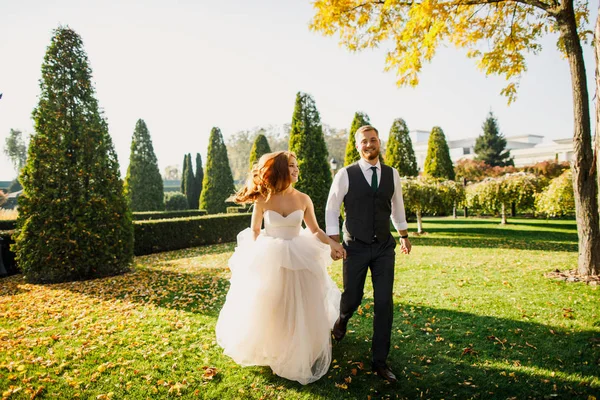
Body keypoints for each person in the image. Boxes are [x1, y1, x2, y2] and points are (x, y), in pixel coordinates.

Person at [216, 150, 345, 385]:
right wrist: (253, 254)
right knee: (273, 303)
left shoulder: (303, 199)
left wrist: (333, 243)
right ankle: (277, 346)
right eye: (292, 166)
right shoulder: (263, 199)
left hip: (300, 253)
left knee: (303, 302)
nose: (296, 170)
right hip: (270, 255)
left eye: (297, 166)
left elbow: (314, 230)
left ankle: (301, 346)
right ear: (279, 171)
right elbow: (255, 230)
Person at [325, 125, 412, 383]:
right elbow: (332, 208)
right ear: (357, 145)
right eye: (364, 141)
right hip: (356, 245)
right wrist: (334, 241)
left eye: (373, 140)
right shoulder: (345, 174)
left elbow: (397, 208)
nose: (369, 145)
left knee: (384, 303)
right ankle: (342, 319)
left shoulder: (391, 174)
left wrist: (404, 236)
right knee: (353, 296)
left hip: (385, 247)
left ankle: (380, 361)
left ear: (379, 143)